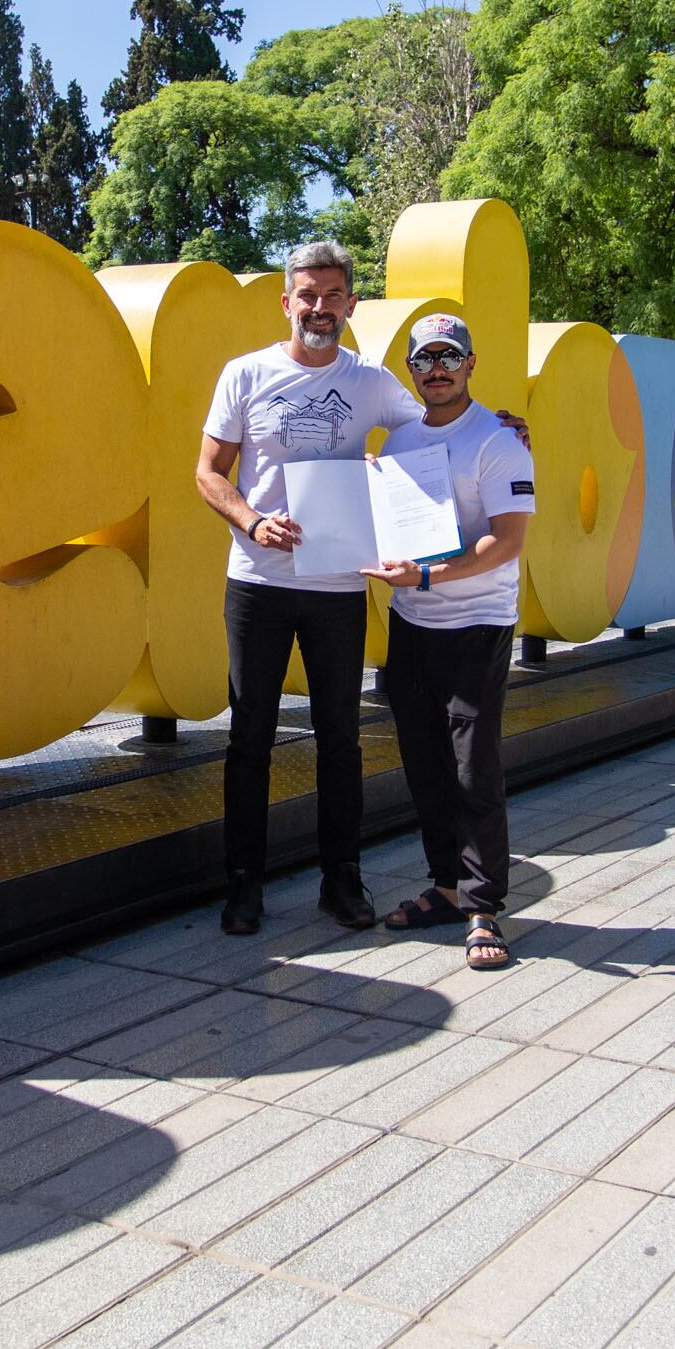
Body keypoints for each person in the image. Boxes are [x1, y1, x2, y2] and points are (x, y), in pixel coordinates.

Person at [195, 244, 524, 936]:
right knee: (249, 738)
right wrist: (251, 520)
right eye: (307, 295)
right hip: (256, 583)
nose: (320, 308)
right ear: (287, 302)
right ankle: (243, 885)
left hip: (340, 586)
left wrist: (504, 423)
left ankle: (342, 882)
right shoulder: (244, 375)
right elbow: (207, 474)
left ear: (350, 304)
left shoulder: (375, 384)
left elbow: (445, 414)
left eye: (333, 295)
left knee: (340, 737)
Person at [363, 314, 534, 972]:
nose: (436, 368)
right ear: (412, 371)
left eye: (449, 356)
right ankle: (443, 886)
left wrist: (430, 573)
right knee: (425, 766)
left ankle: (485, 906)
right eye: (424, 359)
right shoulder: (401, 438)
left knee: (473, 771)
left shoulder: (499, 441)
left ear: (470, 364)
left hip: (477, 625)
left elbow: (509, 540)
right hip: (412, 626)